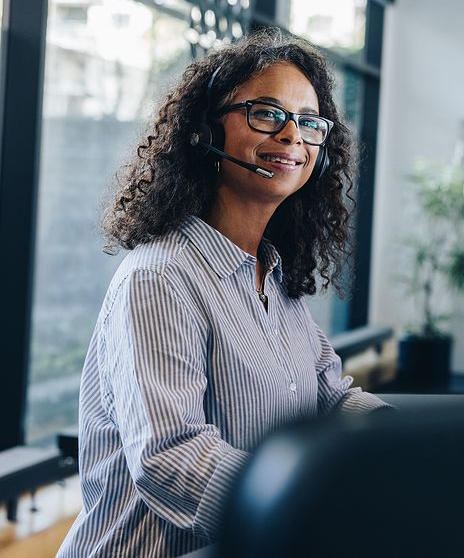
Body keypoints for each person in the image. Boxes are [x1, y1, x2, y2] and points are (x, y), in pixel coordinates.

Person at [56, 28, 391, 557]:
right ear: (206, 131)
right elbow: (171, 456)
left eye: (308, 122)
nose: (291, 136)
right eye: (266, 113)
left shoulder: (273, 277)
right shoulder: (161, 278)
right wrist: (310, 502)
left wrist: (407, 443)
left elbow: (328, 399)